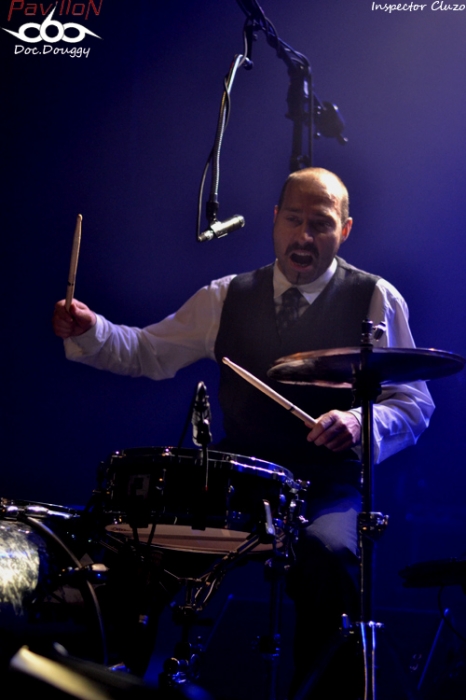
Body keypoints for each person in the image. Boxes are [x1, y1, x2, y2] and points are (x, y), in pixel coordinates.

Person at [53, 167, 434, 698]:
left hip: (326, 484)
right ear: (274, 221)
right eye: (294, 220)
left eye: (321, 224)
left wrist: (358, 422)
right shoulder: (226, 295)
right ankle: (108, 683)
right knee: (136, 551)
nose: (304, 237)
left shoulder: (375, 297)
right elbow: (146, 351)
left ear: (345, 230)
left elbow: (413, 401)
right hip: (238, 479)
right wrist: (92, 329)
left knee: (332, 558)